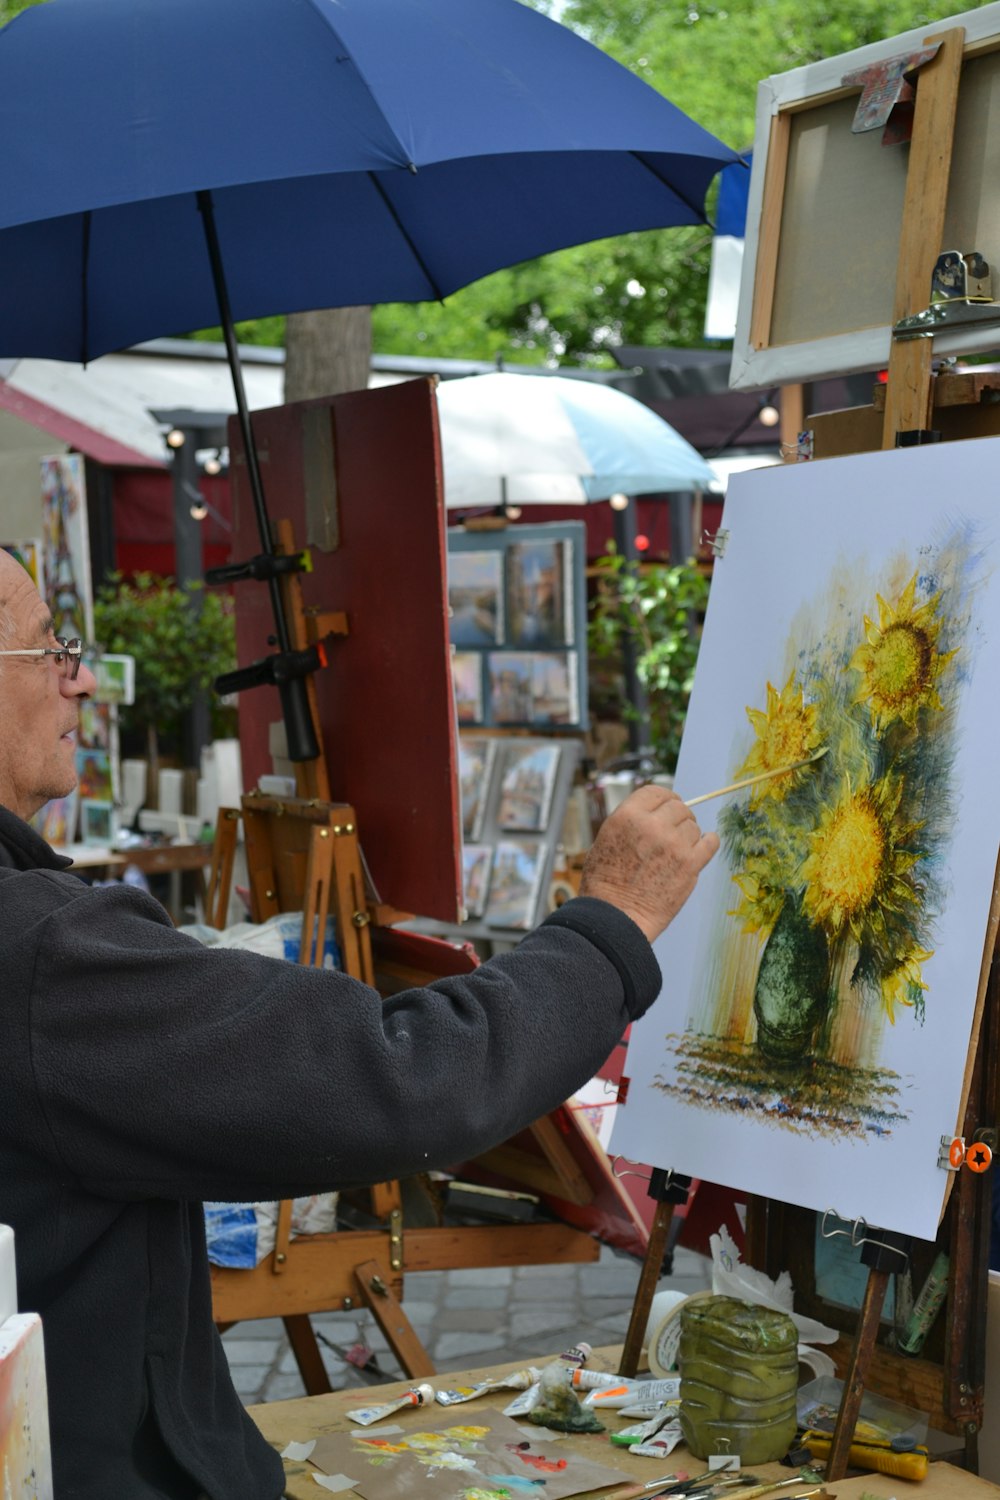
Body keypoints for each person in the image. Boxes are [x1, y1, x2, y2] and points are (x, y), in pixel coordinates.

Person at [0, 546, 718, 1500]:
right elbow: (401, 1075)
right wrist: (611, 926)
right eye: (51, 649)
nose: (82, 677)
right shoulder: (39, 952)